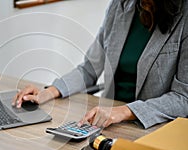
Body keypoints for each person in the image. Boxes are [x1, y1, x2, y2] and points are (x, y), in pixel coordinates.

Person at [12, 0, 188, 129]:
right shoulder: (119, 6)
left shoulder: (184, 16)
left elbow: (183, 98)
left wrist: (125, 111)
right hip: (107, 123)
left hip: (153, 127)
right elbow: (89, 69)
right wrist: (48, 92)